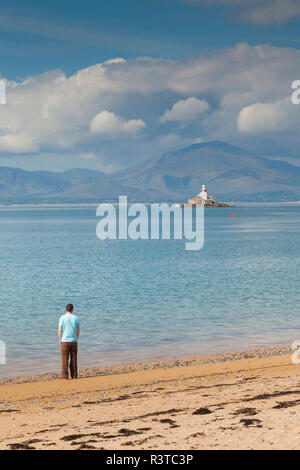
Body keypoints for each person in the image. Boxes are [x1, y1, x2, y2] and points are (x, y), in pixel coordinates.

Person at [58, 304, 80, 379]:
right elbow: (78, 330)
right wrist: (76, 337)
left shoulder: (62, 318)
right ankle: (74, 375)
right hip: (74, 341)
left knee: (65, 359)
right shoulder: (76, 318)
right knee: (74, 359)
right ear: (72, 310)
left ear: (65, 309)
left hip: (64, 341)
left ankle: (65, 376)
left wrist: (59, 339)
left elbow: (60, 330)